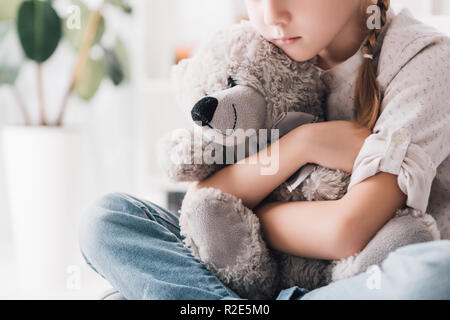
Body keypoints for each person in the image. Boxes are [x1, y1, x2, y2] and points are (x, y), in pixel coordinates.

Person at [78, 0, 450, 300]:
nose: (273, 15)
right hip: (253, 273)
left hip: (354, 276)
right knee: (107, 219)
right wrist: (303, 144)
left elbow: (346, 231)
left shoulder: (423, 59)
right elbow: (204, 201)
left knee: (436, 273)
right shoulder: (261, 50)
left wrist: (242, 214)